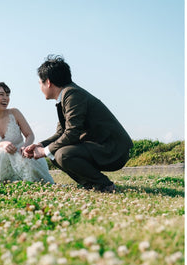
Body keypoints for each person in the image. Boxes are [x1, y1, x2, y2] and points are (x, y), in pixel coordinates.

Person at [23, 55, 133, 193]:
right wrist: (40, 145)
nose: (40, 87)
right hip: (100, 146)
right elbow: (61, 133)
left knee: (62, 154)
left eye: (40, 83)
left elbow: (72, 133)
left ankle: (104, 184)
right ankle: (92, 185)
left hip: (114, 149)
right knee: (55, 152)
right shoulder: (66, 96)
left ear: (48, 82)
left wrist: (45, 151)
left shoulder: (72, 94)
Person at [0, 81, 54, 185]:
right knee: (1, 153)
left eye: (7, 95)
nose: (5, 98)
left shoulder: (14, 112)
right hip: (1, 161)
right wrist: (3, 144)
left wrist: (25, 147)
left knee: (23, 160)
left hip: (21, 156)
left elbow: (30, 135)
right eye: (1, 95)